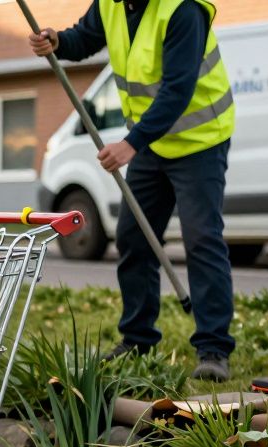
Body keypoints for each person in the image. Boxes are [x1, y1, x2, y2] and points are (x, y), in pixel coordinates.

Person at [30, 0, 236, 381]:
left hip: (199, 140)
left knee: (202, 239)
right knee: (133, 237)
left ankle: (214, 348)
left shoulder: (182, 10)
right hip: (153, 143)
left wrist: (130, 144)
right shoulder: (110, 3)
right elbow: (86, 37)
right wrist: (58, 41)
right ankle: (138, 339)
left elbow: (178, 88)